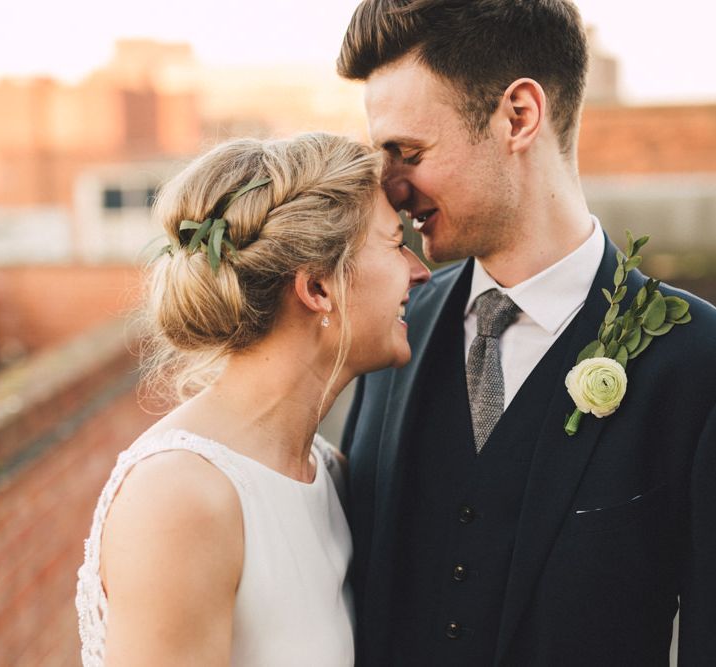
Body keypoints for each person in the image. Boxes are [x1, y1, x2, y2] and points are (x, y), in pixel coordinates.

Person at [337, 1, 716, 665]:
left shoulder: (697, 361)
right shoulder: (385, 336)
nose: (391, 188)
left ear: (518, 116)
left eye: (409, 152)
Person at [75, 132, 430, 666]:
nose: (420, 270)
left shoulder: (325, 470)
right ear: (318, 289)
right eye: (394, 242)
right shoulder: (181, 497)